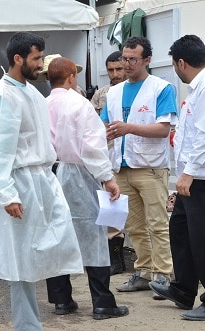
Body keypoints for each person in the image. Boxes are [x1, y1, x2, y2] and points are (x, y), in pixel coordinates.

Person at [0, 32, 84, 331]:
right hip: (20, 181)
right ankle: (28, 324)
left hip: (42, 177)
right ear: (18, 58)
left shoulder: (32, 92)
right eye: (36, 58)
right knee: (23, 259)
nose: (41, 64)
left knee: (57, 241)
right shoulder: (2, 96)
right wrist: (6, 193)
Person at [45, 56, 129, 320]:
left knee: (57, 235)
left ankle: (61, 300)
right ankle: (103, 303)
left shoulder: (41, 104)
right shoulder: (78, 103)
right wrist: (107, 178)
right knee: (94, 235)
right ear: (71, 77)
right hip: (77, 172)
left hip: (49, 173)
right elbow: (92, 146)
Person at [100, 36, 178, 298]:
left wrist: (127, 128)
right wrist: (106, 133)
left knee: (157, 223)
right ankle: (144, 272)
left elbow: (164, 128)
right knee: (133, 225)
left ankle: (164, 275)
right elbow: (105, 123)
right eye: (125, 58)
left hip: (150, 167)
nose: (127, 63)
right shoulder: (113, 92)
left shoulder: (161, 88)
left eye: (133, 59)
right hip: (120, 166)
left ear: (147, 60)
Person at [149, 34, 205, 321]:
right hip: (190, 175)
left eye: (174, 65)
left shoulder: (204, 87)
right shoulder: (196, 89)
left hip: (199, 177)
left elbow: (204, 136)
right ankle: (183, 290)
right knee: (180, 231)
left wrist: (189, 173)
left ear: (181, 63)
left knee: (201, 237)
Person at [91, 50, 128, 276]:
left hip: (132, 154)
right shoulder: (101, 94)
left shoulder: (136, 90)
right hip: (108, 155)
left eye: (118, 69)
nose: (115, 74)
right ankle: (116, 258)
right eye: (110, 70)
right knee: (112, 207)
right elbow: (94, 124)